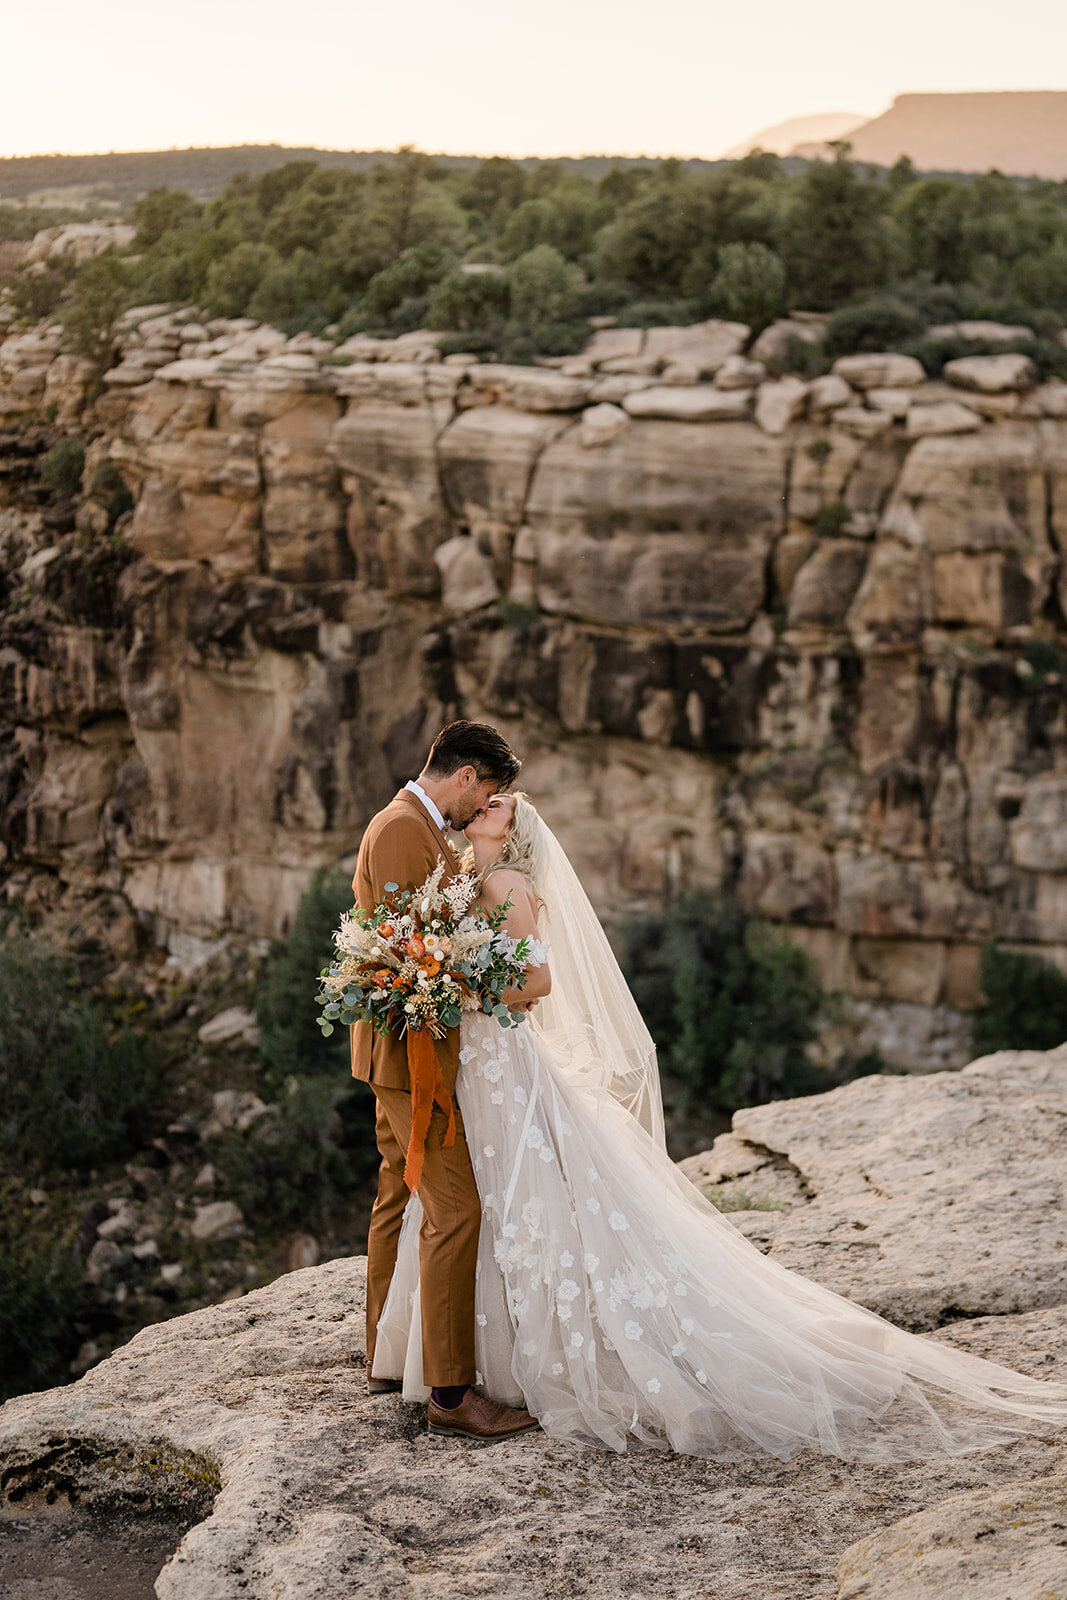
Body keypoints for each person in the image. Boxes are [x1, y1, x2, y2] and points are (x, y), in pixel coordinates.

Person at [371, 791, 1067, 1462]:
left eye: (498, 806)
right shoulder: (468, 877)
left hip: (500, 1059)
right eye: (486, 799)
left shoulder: (507, 885)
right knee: (474, 1195)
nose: (484, 808)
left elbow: (538, 983)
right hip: (472, 1062)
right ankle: (453, 1357)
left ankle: (502, 1362)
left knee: (513, 1194)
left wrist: (452, 982)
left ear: (512, 830)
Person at [351, 721, 538, 1443]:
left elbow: (427, 911)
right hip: (410, 1054)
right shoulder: (402, 827)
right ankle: (452, 1393)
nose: (482, 805)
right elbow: (410, 948)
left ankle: (385, 1353)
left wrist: (474, 863)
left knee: (397, 1191)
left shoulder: (416, 829)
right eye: (486, 791)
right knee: (454, 1212)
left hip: (394, 1051)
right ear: (465, 777)